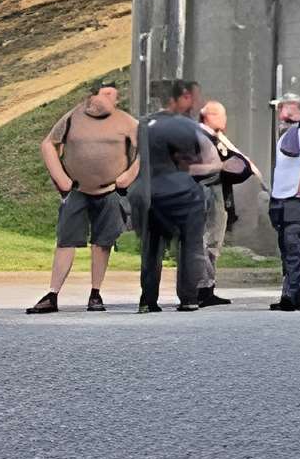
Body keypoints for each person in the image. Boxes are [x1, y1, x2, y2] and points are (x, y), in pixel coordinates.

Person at [27, 79, 142, 314]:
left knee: (102, 243)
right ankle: (52, 295)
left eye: (114, 96)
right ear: (93, 95)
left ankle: (95, 293)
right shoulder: (72, 118)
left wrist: (128, 177)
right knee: (65, 241)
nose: (112, 99)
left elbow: (147, 150)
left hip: (109, 191)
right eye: (107, 94)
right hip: (77, 191)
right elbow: (49, 144)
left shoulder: (126, 122)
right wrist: (61, 179)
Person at [136, 79, 222, 312]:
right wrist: (190, 171)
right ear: (180, 99)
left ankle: (148, 300)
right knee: (190, 245)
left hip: (150, 195)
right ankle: (189, 298)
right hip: (184, 195)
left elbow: (131, 161)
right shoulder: (189, 127)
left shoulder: (141, 126)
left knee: (152, 247)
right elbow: (214, 164)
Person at [192, 99, 256, 307]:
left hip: (218, 194)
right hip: (208, 194)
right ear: (209, 116)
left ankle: (207, 286)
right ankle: (203, 288)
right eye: (221, 115)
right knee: (207, 240)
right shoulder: (201, 137)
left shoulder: (215, 137)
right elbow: (205, 168)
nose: (225, 119)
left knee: (212, 241)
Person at [265, 93, 300, 311]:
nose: (279, 113)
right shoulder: (286, 134)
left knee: (293, 245)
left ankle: (291, 295)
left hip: (295, 199)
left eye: (281, 108)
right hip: (281, 197)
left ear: (292, 107)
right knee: (286, 248)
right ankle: (295, 295)